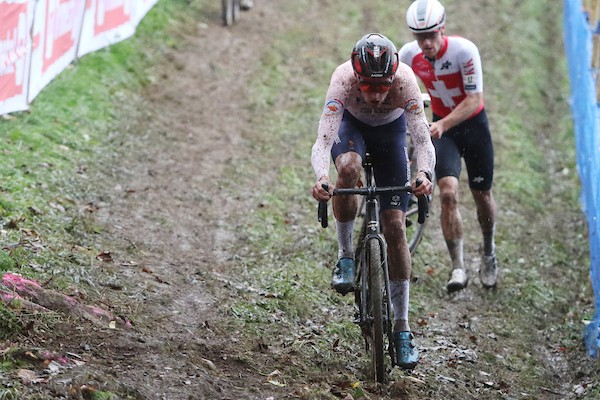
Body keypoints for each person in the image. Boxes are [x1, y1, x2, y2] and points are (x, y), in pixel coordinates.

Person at [311, 33, 435, 369]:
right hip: (352, 129)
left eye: (383, 87)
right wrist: (322, 177)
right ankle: (346, 256)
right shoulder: (342, 80)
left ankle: (402, 326)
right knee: (348, 168)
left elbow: (423, 142)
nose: (377, 95)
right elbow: (323, 141)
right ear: (356, 77)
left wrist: (423, 174)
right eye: (368, 86)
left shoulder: (406, 83)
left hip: (391, 135)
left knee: (395, 226)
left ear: (394, 77)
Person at [399, 0, 499, 293]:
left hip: (472, 127)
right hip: (445, 132)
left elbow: (474, 100)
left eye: (432, 35)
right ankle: (458, 266)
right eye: (420, 37)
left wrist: (442, 123)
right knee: (447, 193)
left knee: (482, 195)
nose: (426, 43)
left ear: (442, 29)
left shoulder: (464, 51)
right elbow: (401, 89)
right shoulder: (409, 55)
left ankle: (489, 250)